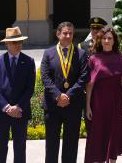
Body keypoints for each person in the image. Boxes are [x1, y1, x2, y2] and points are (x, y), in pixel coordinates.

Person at [84, 26, 122, 163]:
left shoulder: (121, 57)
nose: (107, 41)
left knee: (114, 132)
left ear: (114, 41)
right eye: (104, 38)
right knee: (99, 134)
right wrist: (88, 106)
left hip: (116, 101)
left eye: (109, 38)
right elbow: (89, 85)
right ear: (99, 41)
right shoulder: (93, 58)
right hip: (98, 103)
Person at [41, 22, 89, 163]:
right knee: (51, 144)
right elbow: (45, 77)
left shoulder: (80, 54)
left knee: (71, 143)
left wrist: (68, 95)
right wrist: (58, 95)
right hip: (52, 106)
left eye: (71, 33)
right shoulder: (48, 53)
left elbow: (83, 77)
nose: (68, 36)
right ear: (58, 34)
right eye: (65, 33)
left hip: (73, 105)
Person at [0, 27, 36, 163]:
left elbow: (29, 88)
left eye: (20, 41)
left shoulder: (28, 61)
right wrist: (7, 107)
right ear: (6, 44)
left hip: (21, 111)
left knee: (20, 147)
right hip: (1, 112)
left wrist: (18, 107)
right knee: (0, 146)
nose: (18, 44)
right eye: (14, 42)